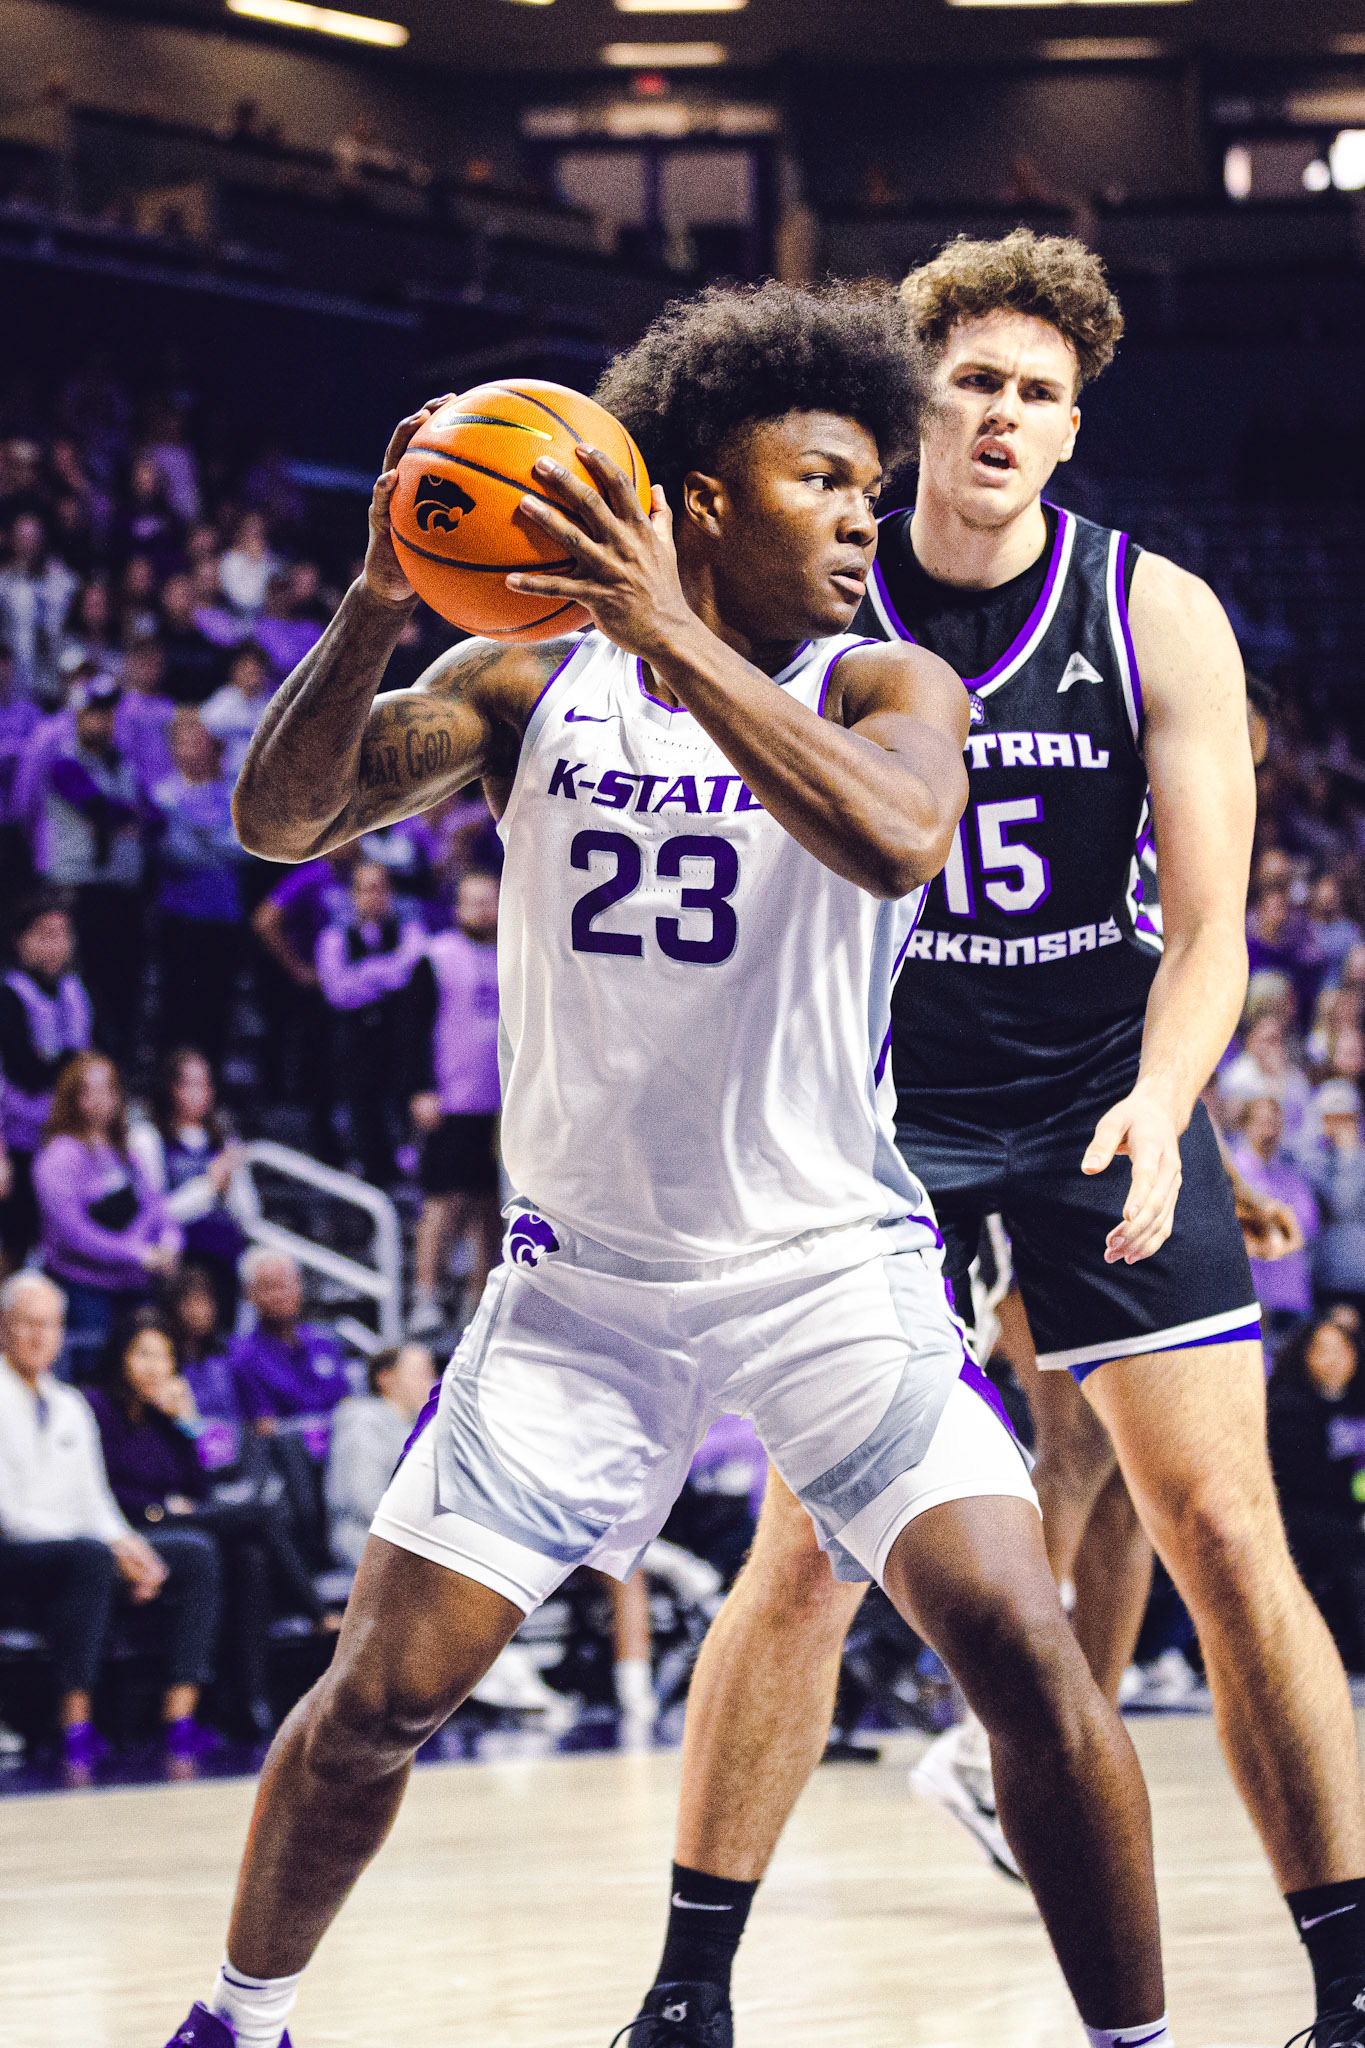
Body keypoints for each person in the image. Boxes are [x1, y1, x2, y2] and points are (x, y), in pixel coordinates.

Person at [160, 283, 1171, 2048]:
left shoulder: (885, 679)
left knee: (1020, 1635)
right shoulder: (525, 679)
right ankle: (238, 2017)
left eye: (874, 484)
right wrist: (378, 598)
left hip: (826, 1270)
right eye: (825, 480)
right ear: (702, 493)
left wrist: (676, 641)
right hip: (580, 1290)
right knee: (379, 1691)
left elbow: (900, 834)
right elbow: (281, 817)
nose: (870, 514)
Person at [612, 230, 1365, 2048]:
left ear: (1073, 423)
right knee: (805, 1544)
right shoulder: (812, 607)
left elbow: (1209, 931)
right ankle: (688, 1984)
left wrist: (1169, 1106)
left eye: (1036, 391)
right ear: (911, 401)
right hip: (875, 1131)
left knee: (1224, 1526)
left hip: (1098, 1093)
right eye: (971, 385)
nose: (1002, 415)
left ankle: (1348, 1983)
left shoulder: (1154, 609)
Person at [0, 1271, 172, 1770]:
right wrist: (104, 1546)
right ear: (4, 1327)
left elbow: (95, 1500)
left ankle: (179, 1718)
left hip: (72, 1549)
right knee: (93, 1557)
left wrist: (132, 1545)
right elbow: (7, 1512)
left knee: (191, 1555)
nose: (38, 1336)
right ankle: (74, 1722)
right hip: (13, 1550)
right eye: (27, 1324)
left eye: (50, 1325)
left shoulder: (71, 1404)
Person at [83, 1309, 224, 1757]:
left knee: (249, 1552)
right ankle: (178, 1717)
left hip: (169, 1524)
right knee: (213, 1545)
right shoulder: (94, 1406)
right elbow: (95, 1486)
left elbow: (199, 1489)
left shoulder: (165, 1415)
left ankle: (236, 1705)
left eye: (164, 1357)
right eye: (143, 1354)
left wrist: (187, 1423)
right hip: (123, 1527)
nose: (155, 1367)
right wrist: (154, 1506)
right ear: (120, 1356)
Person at [33, 1050, 179, 1376]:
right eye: (90, 1091)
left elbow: (156, 1206)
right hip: (85, 1287)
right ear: (72, 1097)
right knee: (96, 1374)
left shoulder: (123, 1150)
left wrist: (170, 1243)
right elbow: (72, 1232)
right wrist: (136, 1252)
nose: (102, 1100)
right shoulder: (59, 1156)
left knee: (143, 1374)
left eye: (109, 1089)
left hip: (135, 1285)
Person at [30, 673, 147, 1065]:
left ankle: (119, 1069)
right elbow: (101, 810)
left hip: (121, 892)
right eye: (94, 714)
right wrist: (131, 816)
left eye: (108, 714)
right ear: (78, 716)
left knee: (123, 985)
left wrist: (133, 816)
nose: (102, 723)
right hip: (78, 890)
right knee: (84, 983)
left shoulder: (125, 765)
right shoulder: (64, 761)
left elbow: (156, 817)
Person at [406, 867, 502, 1336]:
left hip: (501, 1105)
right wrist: (421, 1087)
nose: (483, 910)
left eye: (490, 900)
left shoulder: (515, 954)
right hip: (451, 1099)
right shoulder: (437, 956)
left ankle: (479, 1302)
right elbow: (412, 1027)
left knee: (491, 1207)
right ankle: (426, 1294)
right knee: (442, 1202)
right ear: (457, 907)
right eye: (474, 901)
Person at [315, 858, 425, 1187]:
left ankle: (401, 1170)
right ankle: (367, 1175)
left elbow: (408, 971)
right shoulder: (335, 937)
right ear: (353, 895)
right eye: (364, 889)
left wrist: (363, 973)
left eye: (379, 888)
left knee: (399, 1104)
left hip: (399, 1039)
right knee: (361, 1108)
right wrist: (382, 975)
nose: (373, 896)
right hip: (354, 1041)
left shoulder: (409, 930)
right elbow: (337, 991)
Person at [147, 711, 247, 1065]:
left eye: (200, 740)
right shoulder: (162, 794)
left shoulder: (232, 793)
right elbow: (175, 852)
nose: (193, 748)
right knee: (178, 1007)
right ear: (173, 748)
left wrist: (201, 837)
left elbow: (247, 848)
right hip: (180, 916)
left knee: (217, 1007)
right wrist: (215, 843)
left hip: (223, 915)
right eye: (185, 741)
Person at [0, 888, 92, 1268]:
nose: (56, 947)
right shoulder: (9, 995)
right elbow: (27, 1072)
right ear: (21, 940)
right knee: (15, 1242)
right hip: (16, 1142)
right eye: (45, 936)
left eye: (63, 936)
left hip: (64, 1138)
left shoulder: (76, 992)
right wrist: (71, 1060)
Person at [1268, 1315, 1365, 1672]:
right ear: (1303, 1355)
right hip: (1303, 1513)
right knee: (1349, 1544)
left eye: (1343, 1350)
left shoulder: (1356, 1403)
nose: (1335, 1360)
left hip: (1348, 1512)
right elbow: (1303, 1480)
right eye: (1323, 1350)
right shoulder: (1288, 1406)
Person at [129, 1049, 254, 1324]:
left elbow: (249, 1215)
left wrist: (231, 1182)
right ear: (171, 1088)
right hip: (179, 1263)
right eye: (190, 1084)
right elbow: (156, 1213)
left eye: (205, 1084)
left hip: (224, 1260)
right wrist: (209, 1187)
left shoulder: (224, 1140)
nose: (200, 1093)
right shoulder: (148, 1138)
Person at [324, 1342, 435, 1569]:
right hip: (368, 1540)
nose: (432, 1383)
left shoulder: (416, 1426)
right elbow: (366, 1499)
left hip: (412, 1539)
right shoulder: (363, 1421)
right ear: (386, 1378)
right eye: (421, 1374)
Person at [1227, 1094, 1318, 1337]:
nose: (1270, 1131)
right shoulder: (1232, 1174)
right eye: (1262, 1122)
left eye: (1274, 1123)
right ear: (1245, 1125)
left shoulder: (1292, 1173)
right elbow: (1236, 1233)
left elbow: (1305, 1228)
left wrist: (1263, 1224)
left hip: (1290, 1295)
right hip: (1247, 1297)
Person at [1304, 1080, 1365, 1311]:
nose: (1341, 1127)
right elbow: (1342, 1205)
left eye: (1347, 1119)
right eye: (1333, 1119)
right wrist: (1347, 1158)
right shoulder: (1310, 1162)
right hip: (1328, 1278)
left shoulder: (1359, 1159)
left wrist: (1350, 1157)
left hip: (1358, 1275)